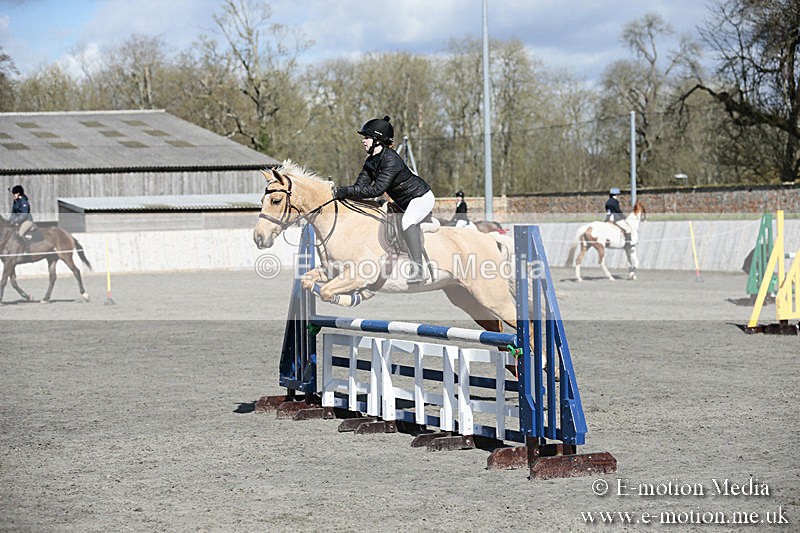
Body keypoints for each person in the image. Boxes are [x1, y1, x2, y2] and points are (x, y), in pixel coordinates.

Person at [334, 116, 435, 284]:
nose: (363, 141)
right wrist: (345, 195)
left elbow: (377, 190)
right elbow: (360, 187)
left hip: (420, 198)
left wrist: (345, 191)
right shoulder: (371, 162)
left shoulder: (391, 159)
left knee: (408, 220)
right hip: (404, 202)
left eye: (366, 137)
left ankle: (418, 269)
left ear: (378, 140)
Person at [8, 184, 33, 253]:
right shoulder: (16, 201)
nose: (13, 195)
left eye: (14, 194)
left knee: (20, 233)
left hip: (27, 221)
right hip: (19, 221)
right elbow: (13, 213)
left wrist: (15, 220)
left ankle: (27, 249)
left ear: (18, 194)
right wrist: (10, 220)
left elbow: (24, 215)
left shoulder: (24, 202)